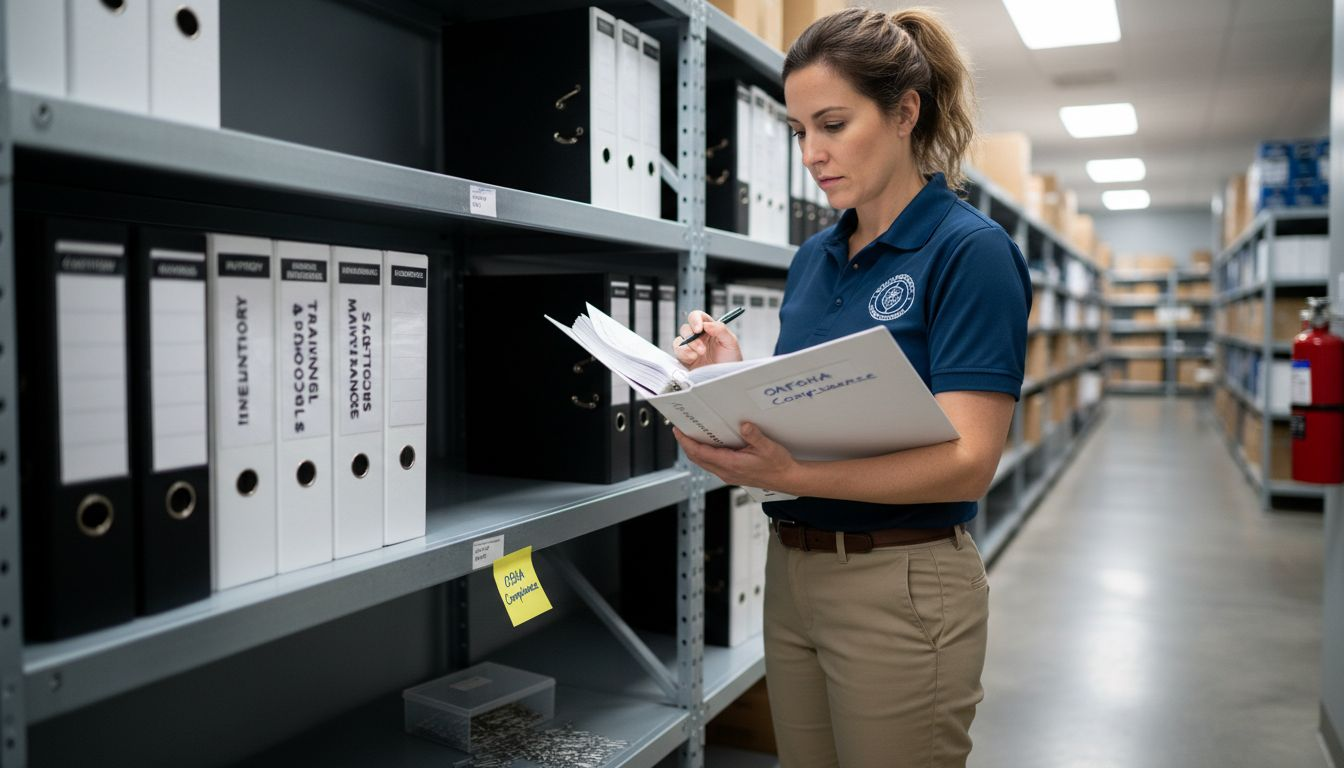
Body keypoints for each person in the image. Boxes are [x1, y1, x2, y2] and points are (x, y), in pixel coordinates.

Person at [671, 7, 1030, 768]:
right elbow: (823, 402)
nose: (811, 153)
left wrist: (789, 474)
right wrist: (734, 376)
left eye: (832, 124)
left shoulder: (970, 252)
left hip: (901, 579)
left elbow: (968, 460)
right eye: (800, 130)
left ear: (905, 113)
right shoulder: (814, 259)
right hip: (794, 570)